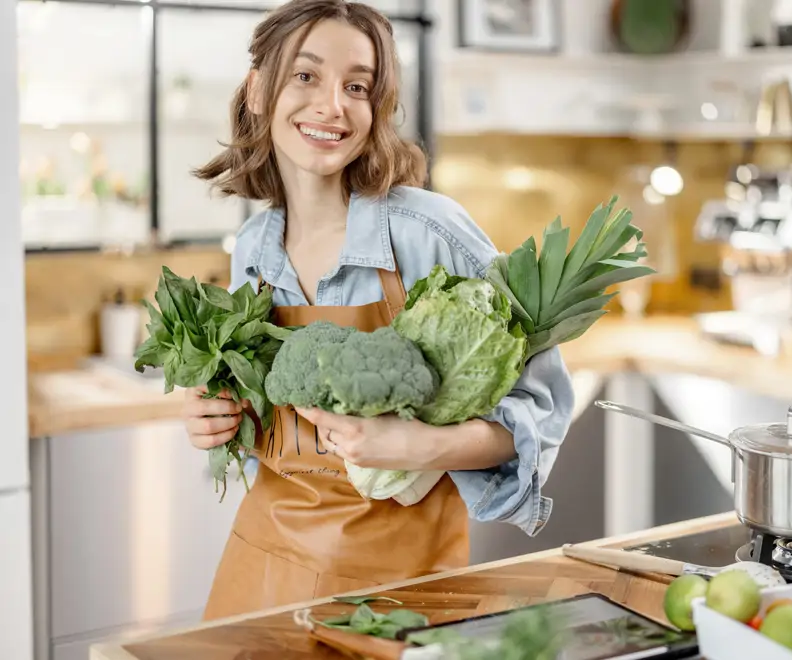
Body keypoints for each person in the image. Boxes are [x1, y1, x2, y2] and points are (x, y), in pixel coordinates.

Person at [179, 0, 574, 621]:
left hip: (398, 588)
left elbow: (537, 417)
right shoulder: (254, 249)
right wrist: (218, 417)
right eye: (305, 76)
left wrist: (416, 446)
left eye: (356, 85)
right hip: (265, 565)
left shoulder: (427, 231)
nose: (332, 105)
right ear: (258, 90)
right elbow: (271, 413)